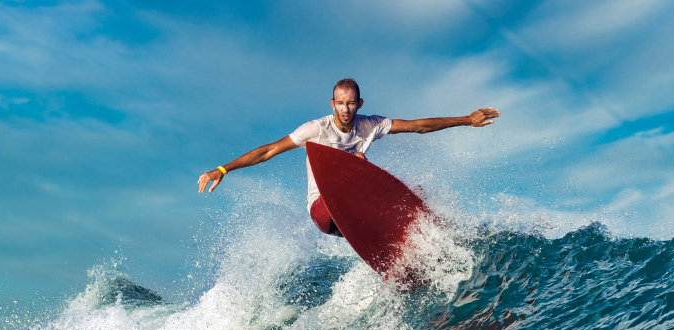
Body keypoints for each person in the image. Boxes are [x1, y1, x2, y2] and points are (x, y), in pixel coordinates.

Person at [197, 78, 500, 236]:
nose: (345, 109)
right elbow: (269, 151)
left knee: (415, 195)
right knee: (358, 163)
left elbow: (418, 127)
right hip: (323, 212)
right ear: (332, 103)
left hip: (357, 212)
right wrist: (223, 168)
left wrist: (465, 119)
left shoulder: (371, 124)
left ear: (359, 104)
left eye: (351, 103)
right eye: (340, 103)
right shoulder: (316, 129)